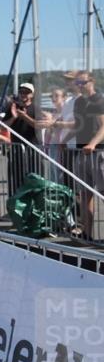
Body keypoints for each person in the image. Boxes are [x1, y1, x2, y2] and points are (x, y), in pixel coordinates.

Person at [71, 71, 104, 239]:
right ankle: (87, 232)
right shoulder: (78, 102)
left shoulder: (98, 100)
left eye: (83, 82)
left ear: (92, 81)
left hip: (98, 152)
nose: (80, 86)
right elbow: (77, 125)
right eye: (78, 83)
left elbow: (103, 127)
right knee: (84, 194)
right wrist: (64, 138)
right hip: (81, 152)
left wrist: (93, 143)